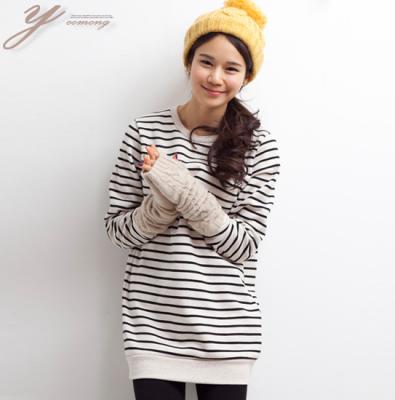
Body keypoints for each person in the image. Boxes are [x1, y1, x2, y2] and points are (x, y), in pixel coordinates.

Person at [103, 0, 281, 398]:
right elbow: (117, 233)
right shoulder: (143, 133)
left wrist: (184, 191)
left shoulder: (261, 147)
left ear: (247, 76)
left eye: (231, 68)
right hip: (152, 329)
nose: (215, 77)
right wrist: (160, 207)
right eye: (206, 62)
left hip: (227, 331)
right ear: (189, 62)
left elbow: (244, 246)